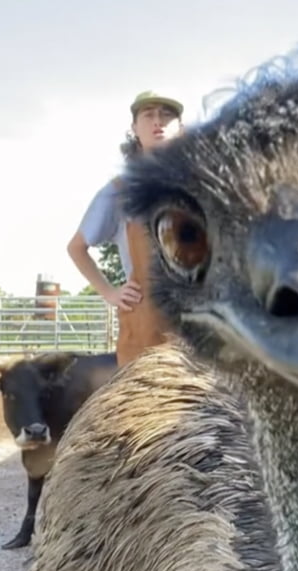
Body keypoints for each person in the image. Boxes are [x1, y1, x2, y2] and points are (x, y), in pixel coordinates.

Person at [66, 90, 185, 366]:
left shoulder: (203, 187)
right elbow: (76, 248)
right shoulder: (118, 192)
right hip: (146, 337)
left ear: (180, 127)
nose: (158, 120)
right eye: (148, 114)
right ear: (134, 128)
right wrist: (110, 292)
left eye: (167, 114)